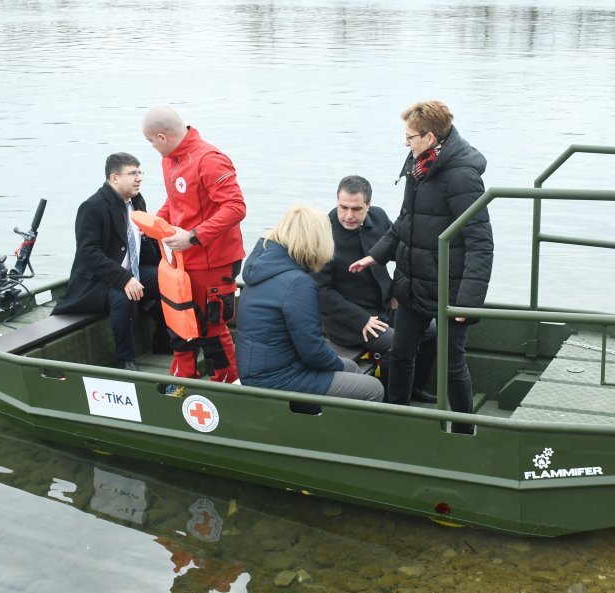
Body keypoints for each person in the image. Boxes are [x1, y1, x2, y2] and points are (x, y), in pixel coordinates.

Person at [350, 100, 494, 434]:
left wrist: (468, 301)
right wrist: (376, 255)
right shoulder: (418, 166)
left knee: (452, 365)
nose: (405, 142)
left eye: (410, 136)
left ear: (430, 138)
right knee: (400, 353)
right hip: (413, 283)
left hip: (449, 289)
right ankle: (396, 419)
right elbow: (406, 221)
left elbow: (480, 242)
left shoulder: (462, 178)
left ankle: (463, 432)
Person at [141, 105, 247, 384]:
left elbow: (235, 207)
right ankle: (183, 378)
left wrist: (193, 236)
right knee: (179, 319)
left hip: (214, 259)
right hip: (183, 259)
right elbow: (175, 202)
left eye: (151, 141)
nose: (151, 146)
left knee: (211, 325)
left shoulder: (209, 159)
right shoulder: (170, 160)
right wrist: (157, 221)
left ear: (162, 137)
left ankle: (229, 382)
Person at [236, 206, 384, 403]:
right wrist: (336, 365)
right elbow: (312, 350)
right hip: (277, 377)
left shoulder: (263, 267)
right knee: (373, 388)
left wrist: (339, 365)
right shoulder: (298, 283)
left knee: (349, 367)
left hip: (261, 369)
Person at [314, 175, 438, 403]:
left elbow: (403, 254)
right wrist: (361, 319)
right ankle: (390, 402)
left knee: (431, 329)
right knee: (397, 343)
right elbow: (322, 292)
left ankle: (414, 388)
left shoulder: (379, 217)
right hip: (350, 321)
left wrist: (396, 293)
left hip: (383, 306)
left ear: (368, 206)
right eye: (343, 207)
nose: (348, 216)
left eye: (356, 209)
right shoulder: (323, 233)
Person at [53, 152, 162, 371]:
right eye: (132, 173)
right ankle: (125, 360)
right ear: (114, 178)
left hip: (133, 271)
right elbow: (88, 253)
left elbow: (144, 240)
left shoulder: (137, 200)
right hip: (101, 281)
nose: (139, 178)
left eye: (140, 172)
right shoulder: (92, 207)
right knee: (124, 296)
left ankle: (164, 342)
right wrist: (125, 279)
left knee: (169, 279)